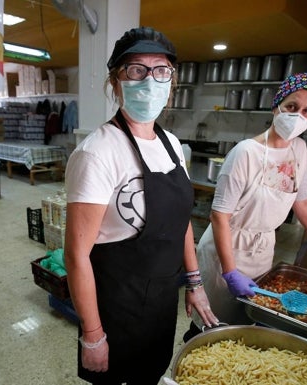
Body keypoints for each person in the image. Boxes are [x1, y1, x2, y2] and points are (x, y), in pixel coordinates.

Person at [63, 27, 219, 385]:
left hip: (163, 299)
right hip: (117, 306)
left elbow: (180, 220)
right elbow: (76, 255)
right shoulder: (97, 152)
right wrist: (93, 334)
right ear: (116, 82)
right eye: (136, 70)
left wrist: (194, 283)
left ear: (171, 81)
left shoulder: (172, 144)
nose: (150, 80)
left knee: (152, 373)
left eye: (161, 70)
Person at [185, 73, 307, 334]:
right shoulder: (246, 152)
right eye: (291, 107)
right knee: (212, 324)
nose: (298, 116)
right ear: (276, 106)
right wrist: (230, 272)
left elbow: (301, 200)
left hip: (262, 250)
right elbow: (219, 216)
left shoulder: (300, 150)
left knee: (245, 321)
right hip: (227, 249)